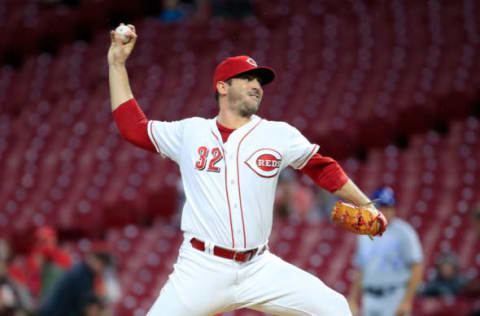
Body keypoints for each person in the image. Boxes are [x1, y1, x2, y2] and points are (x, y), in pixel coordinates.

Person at [108, 23, 387, 315]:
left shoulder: (279, 134)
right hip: (202, 268)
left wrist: (365, 204)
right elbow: (133, 128)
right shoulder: (190, 132)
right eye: (247, 78)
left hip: (258, 267)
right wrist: (116, 64)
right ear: (222, 87)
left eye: (259, 81)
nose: (256, 85)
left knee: (335, 308)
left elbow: (323, 168)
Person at [348, 187, 424, 316]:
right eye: (382, 207)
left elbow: (417, 266)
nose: (386, 211)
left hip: (394, 295)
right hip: (370, 297)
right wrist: (353, 298)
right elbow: (361, 269)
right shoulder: (364, 234)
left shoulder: (404, 232)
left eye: (389, 207)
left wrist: (407, 301)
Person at [37, 245, 114, 316]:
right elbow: (83, 304)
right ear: (95, 260)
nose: (102, 269)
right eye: (102, 264)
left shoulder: (85, 272)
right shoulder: (80, 274)